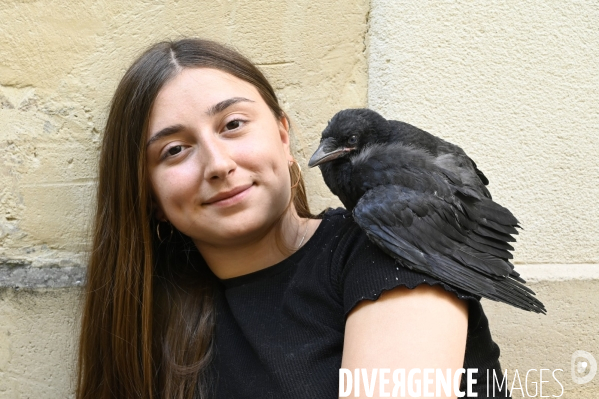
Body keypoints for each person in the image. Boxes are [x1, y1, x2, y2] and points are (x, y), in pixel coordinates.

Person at [76, 38, 511, 399]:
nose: (218, 163)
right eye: (174, 150)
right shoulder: (148, 325)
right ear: (149, 196)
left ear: (284, 139)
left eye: (232, 125)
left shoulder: (381, 248)